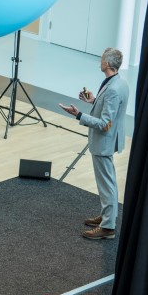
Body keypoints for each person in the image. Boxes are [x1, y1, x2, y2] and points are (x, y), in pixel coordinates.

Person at [59, 48, 129, 240]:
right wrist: (94, 101)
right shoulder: (119, 83)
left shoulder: (113, 89)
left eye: (101, 60)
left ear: (107, 64)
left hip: (104, 142)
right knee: (110, 181)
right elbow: (109, 111)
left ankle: (107, 227)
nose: (100, 62)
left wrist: (79, 115)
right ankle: (108, 216)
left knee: (106, 184)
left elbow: (105, 124)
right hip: (110, 140)